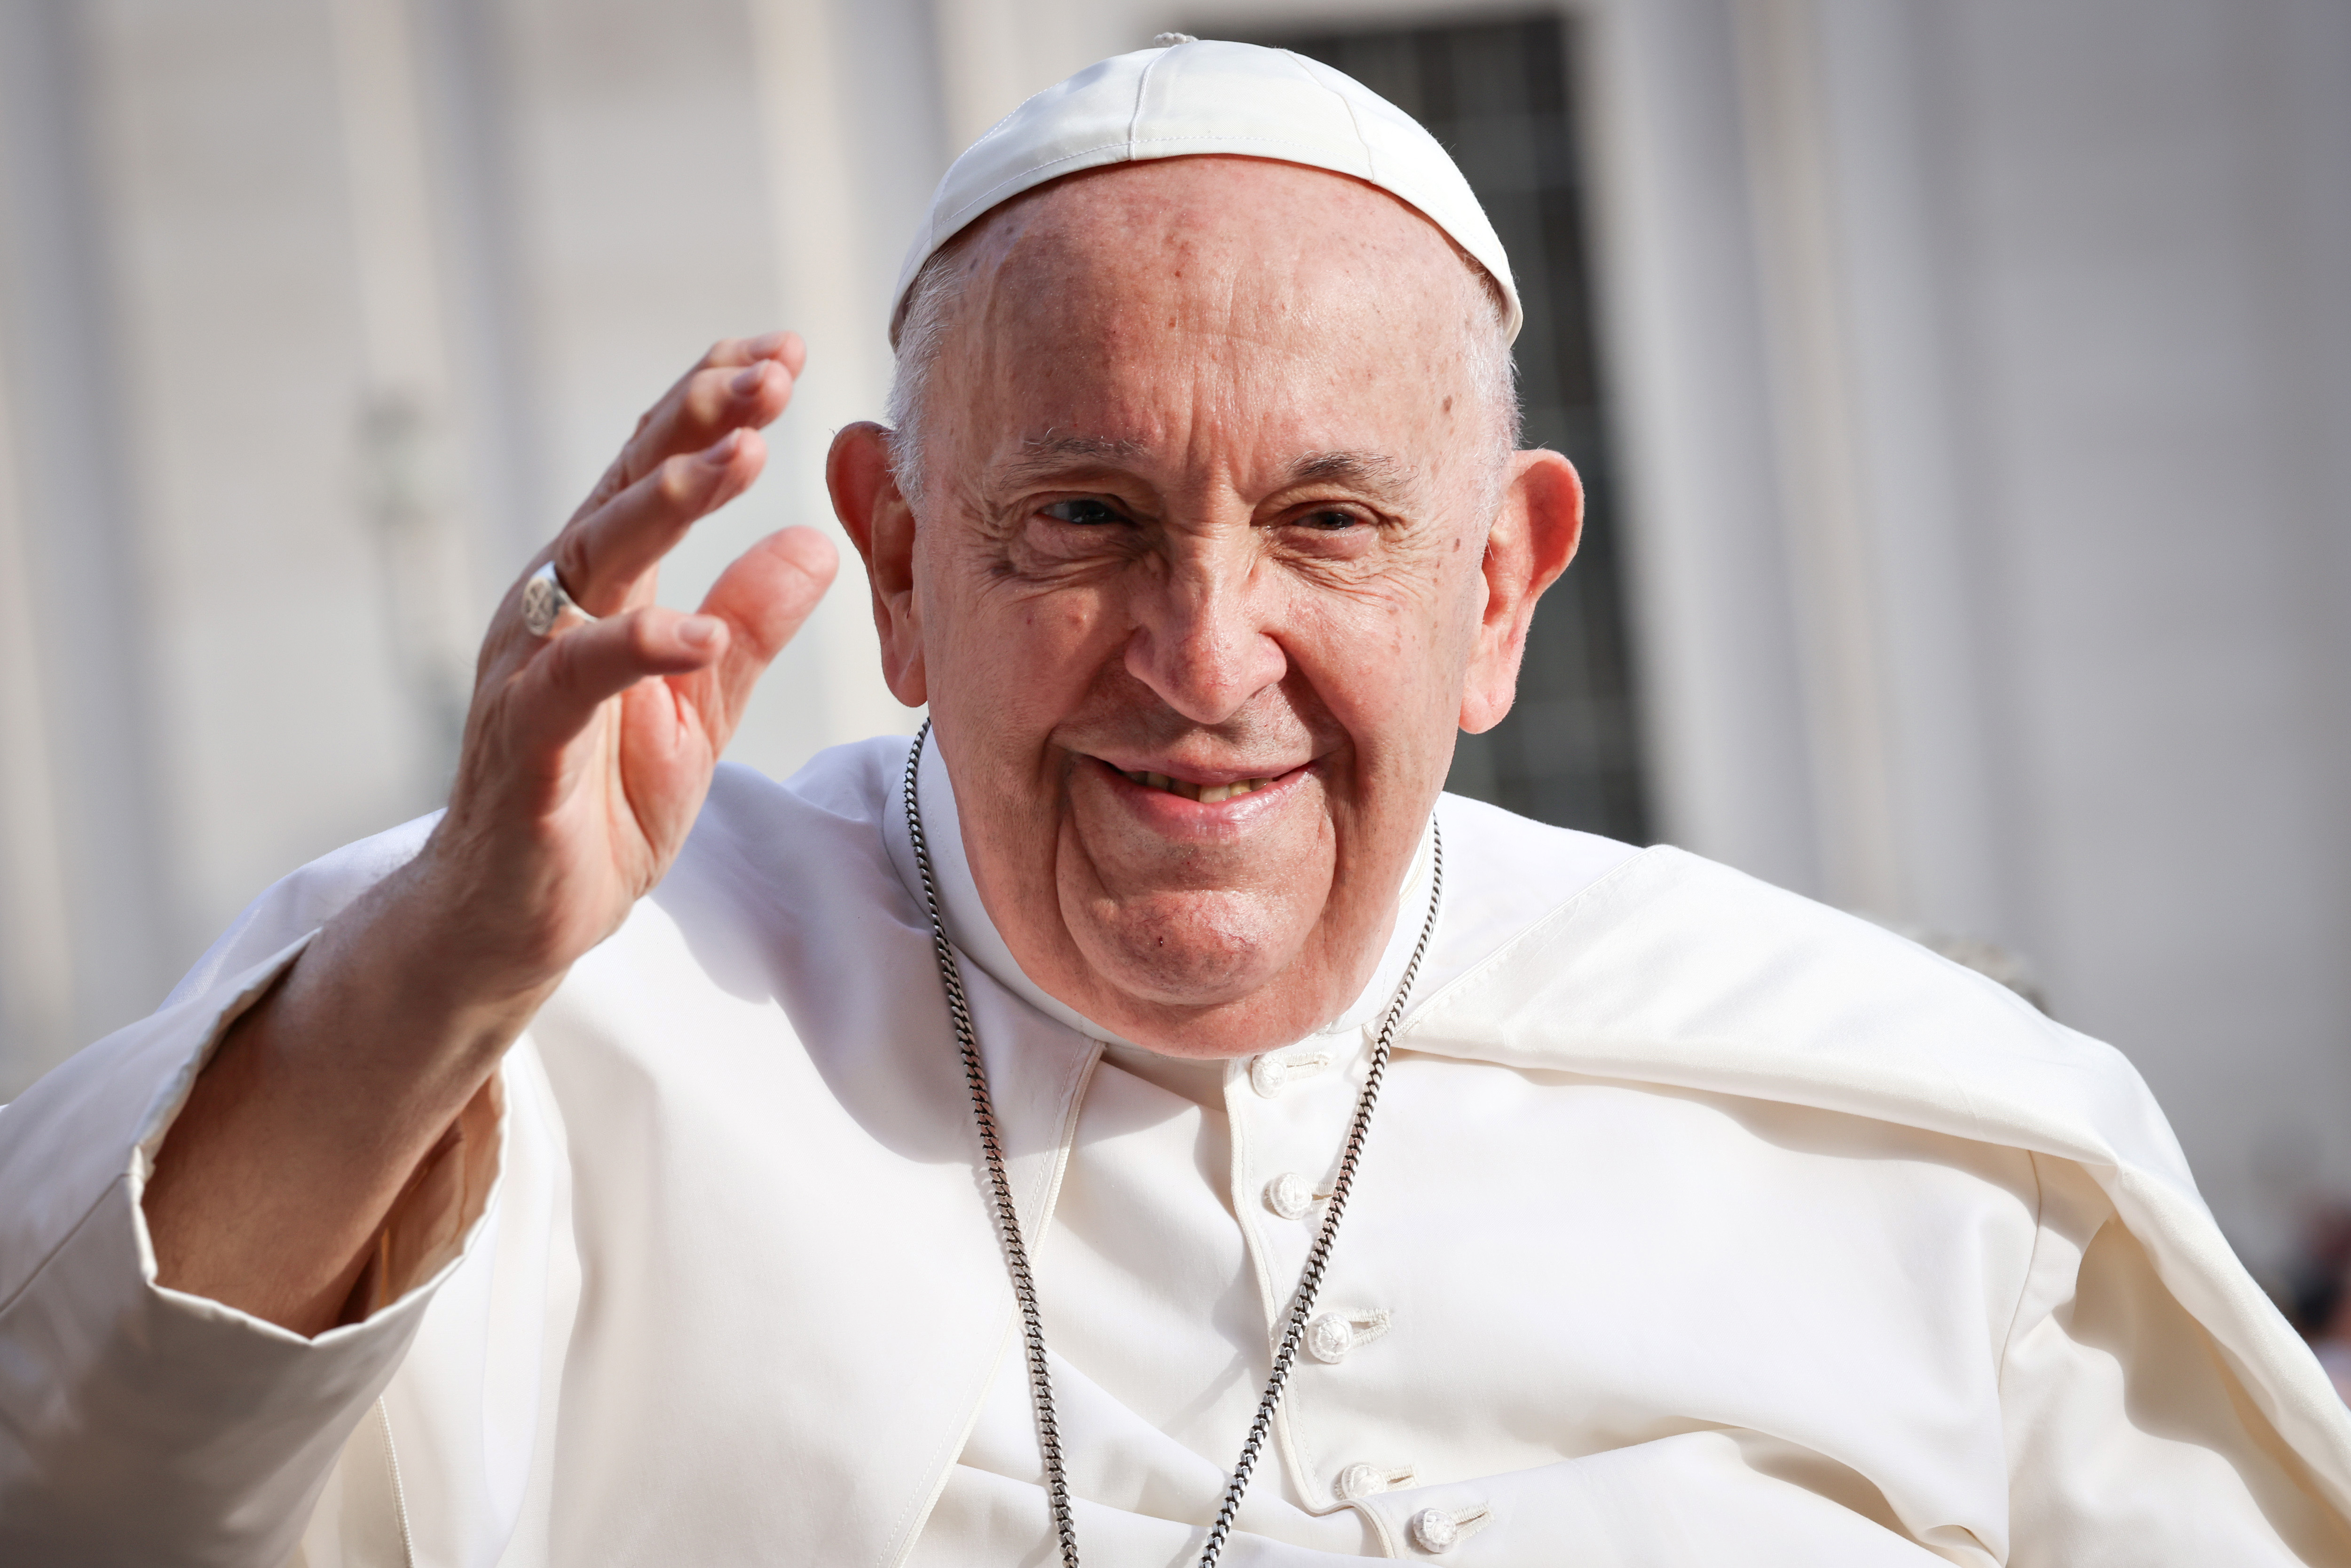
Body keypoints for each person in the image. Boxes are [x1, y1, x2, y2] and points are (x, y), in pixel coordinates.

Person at [4, 38, 2348, 1568]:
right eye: (1083, 521)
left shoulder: (1921, 1140)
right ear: (902, 567)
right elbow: (77, 1486)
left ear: (1499, 586)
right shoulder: (526, 1007)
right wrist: (447, 962)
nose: (1201, 666)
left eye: (1327, 524)